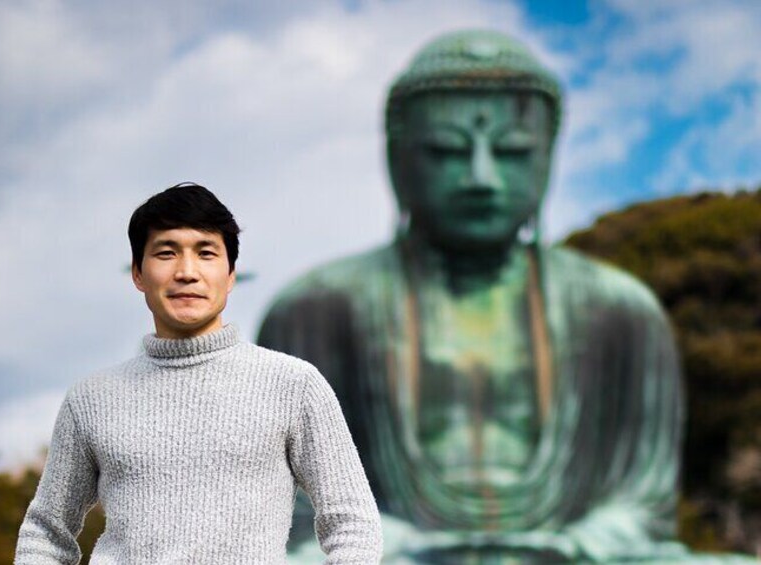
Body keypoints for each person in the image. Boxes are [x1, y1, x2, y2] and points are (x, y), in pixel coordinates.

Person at [257, 31, 753, 563]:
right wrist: (394, 544)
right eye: (446, 151)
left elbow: (640, 505)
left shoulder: (621, 310)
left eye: (513, 152)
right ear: (398, 160)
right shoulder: (317, 308)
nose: (481, 176)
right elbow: (298, 509)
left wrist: (576, 545)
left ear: (548, 159)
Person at [15, 182, 383, 564]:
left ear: (231, 275)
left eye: (206, 253)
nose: (186, 272)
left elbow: (352, 523)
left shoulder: (293, 385)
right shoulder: (91, 399)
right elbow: (45, 533)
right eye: (166, 253)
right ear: (138, 274)